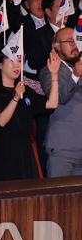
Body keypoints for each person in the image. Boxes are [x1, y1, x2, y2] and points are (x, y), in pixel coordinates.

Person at [0, 50, 60, 181]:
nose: (17, 65)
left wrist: (54, 75)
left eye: (19, 61)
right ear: (0, 65)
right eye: (12, 61)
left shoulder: (25, 91)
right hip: (5, 151)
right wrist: (15, 97)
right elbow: (1, 122)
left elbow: (52, 104)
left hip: (25, 150)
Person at [40, 28, 82, 177]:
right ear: (56, 46)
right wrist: (75, 75)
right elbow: (60, 99)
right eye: (70, 41)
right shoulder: (49, 71)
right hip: (63, 149)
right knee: (59, 199)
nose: (75, 45)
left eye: (77, 40)